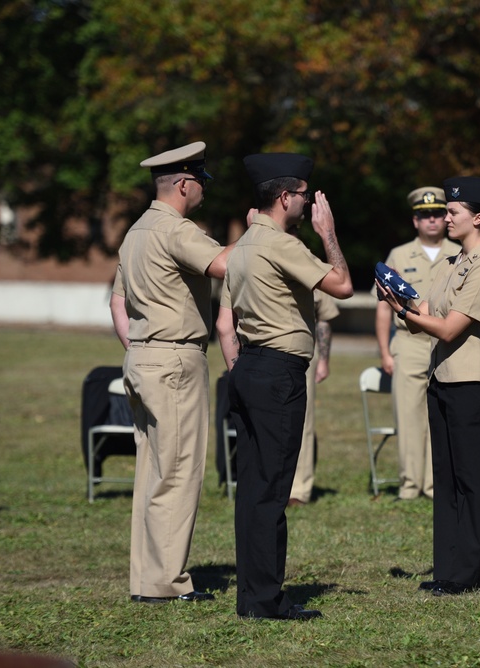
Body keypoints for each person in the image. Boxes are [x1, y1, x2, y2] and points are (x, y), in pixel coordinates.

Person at [215, 152, 352, 621]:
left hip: (249, 368)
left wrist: (240, 369)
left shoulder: (245, 244)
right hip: (278, 373)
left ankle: (252, 596)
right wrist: (328, 232)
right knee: (272, 490)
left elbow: (226, 324)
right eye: (304, 194)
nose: (308, 202)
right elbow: (341, 284)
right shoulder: (280, 242)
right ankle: (267, 600)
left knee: (253, 489)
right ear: (284, 197)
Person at [109, 141, 232, 604]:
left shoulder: (136, 232)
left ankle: (146, 578)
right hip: (175, 358)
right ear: (184, 183)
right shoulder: (175, 229)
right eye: (200, 181)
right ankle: (165, 584)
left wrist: (140, 347)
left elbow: (118, 302)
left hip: (142, 358)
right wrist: (262, 235)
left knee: (152, 472)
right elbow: (225, 264)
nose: (202, 190)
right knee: (178, 473)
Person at [377, 176, 480, 596]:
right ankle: (452, 568)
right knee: (448, 479)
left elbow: (451, 328)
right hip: (445, 378)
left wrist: (406, 313)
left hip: (473, 380)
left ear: (479, 217)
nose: (446, 217)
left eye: (453, 211)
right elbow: (427, 307)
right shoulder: (455, 263)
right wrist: (399, 299)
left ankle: (471, 571)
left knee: (470, 479)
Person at [374, 187, 460, 501]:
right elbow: (385, 307)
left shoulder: (459, 252)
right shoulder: (398, 255)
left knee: (441, 415)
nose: (432, 220)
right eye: (425, 215)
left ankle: (436, 484)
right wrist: (385, 350)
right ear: (415, 220)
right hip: (409, 344)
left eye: (438, 213)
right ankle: (410, 485)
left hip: (445, 341)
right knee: (408, 416)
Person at [289, 291, 339, 506]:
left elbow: (324, 319)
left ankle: (298, 490)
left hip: (303, 352)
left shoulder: (312, 267)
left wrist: (324, 360)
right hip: (260, 349)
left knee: (303, 420)